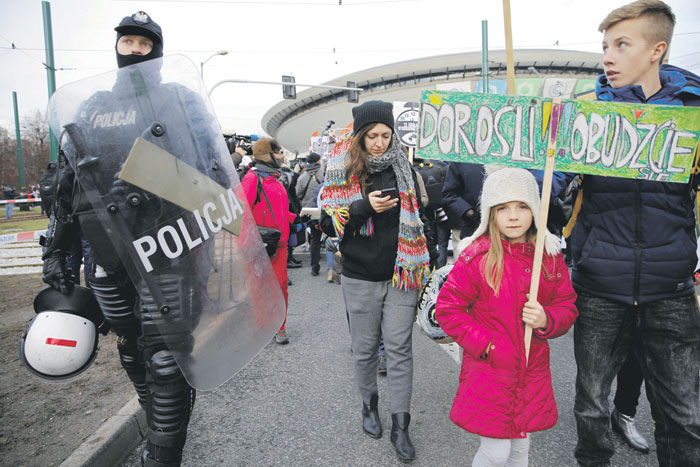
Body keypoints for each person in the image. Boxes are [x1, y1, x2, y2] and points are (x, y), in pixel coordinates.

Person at [39, 12, 233, 466]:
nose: (134, 50)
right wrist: (57, 248)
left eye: (144, 44)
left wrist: (233, 220)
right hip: (105, 247)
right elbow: (69, 182)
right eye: (128, 41)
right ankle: (156, 424)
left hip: (168, 242)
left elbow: (213, 168)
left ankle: (163, 456)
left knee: (166, 356)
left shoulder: (181, 99)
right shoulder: (92, 106)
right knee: (132, 350)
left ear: (157, 51)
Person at [570, 2, 700, 466]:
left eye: (622, 45)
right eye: (605, 46)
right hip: (600, 287)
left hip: (671, 290)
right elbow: (550, 186)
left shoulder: (695, 116)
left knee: (685, 416)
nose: (608, 56)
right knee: (591, 406)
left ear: (656, 50)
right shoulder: (585, 114)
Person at [435, 167, 578, 467]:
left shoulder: (548, 257)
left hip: (531, 372)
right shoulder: (477, 257)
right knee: (496, 452)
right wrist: (486, 345)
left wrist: (547, 318)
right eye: (503, 208)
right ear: (490, 213)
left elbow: (567, 306)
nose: (513, 216)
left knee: (520, 450)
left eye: (522, 206)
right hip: (490, 372)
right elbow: (448, 309)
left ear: (535, 210)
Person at [320, 100, 431, 462]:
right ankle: (369, 407)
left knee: (399, 350)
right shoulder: (342, 170)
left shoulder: (406, 169)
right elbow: (325, 223)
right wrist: (362, 208)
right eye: (372, 136)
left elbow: (423, 213)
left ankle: (401, 425)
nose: (380, 142)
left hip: (402, 275)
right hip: (360, 275)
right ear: (359, 136)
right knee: (365, 349)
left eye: (386, 135)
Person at [241, 138, 297, 345]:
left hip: (278, 244)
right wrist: (247, 244)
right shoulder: (252, 179)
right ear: (268, 155)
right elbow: (242, 213)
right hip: (259, 245)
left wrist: (295, 218)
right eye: (278, 152)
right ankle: (263, 326)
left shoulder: (276, 178)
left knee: (280, 286)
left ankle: (279, 326)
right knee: (259, 287)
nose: (282, 156)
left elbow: (277, 209)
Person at [296, 152, 324, 276]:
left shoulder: (302, 177)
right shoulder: (325, 173)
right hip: (325, 210)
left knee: (314, 239)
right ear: (318, 162)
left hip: (310, 212)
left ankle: (315, 268)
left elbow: (298, 194)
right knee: (334, 236)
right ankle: (335, 268)